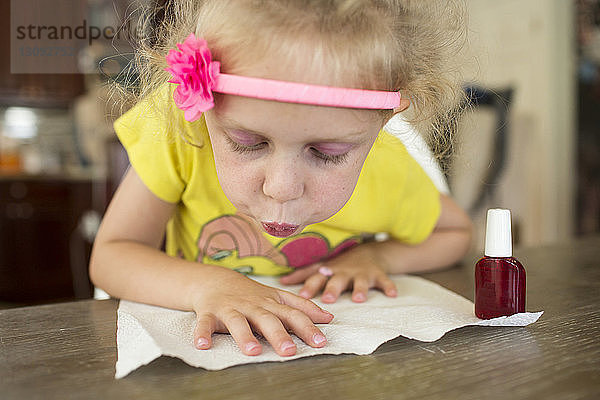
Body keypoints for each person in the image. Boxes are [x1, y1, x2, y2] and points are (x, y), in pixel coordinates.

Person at [90, 0, 472, 358]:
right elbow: (112, 254)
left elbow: (455, 233)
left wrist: (377, 256)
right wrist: (207, 286)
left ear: (383, 121)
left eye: (327, 153)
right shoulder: (179, 133)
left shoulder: (388, 168)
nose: (282, 187)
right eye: (247, 142)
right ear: (203, 108)